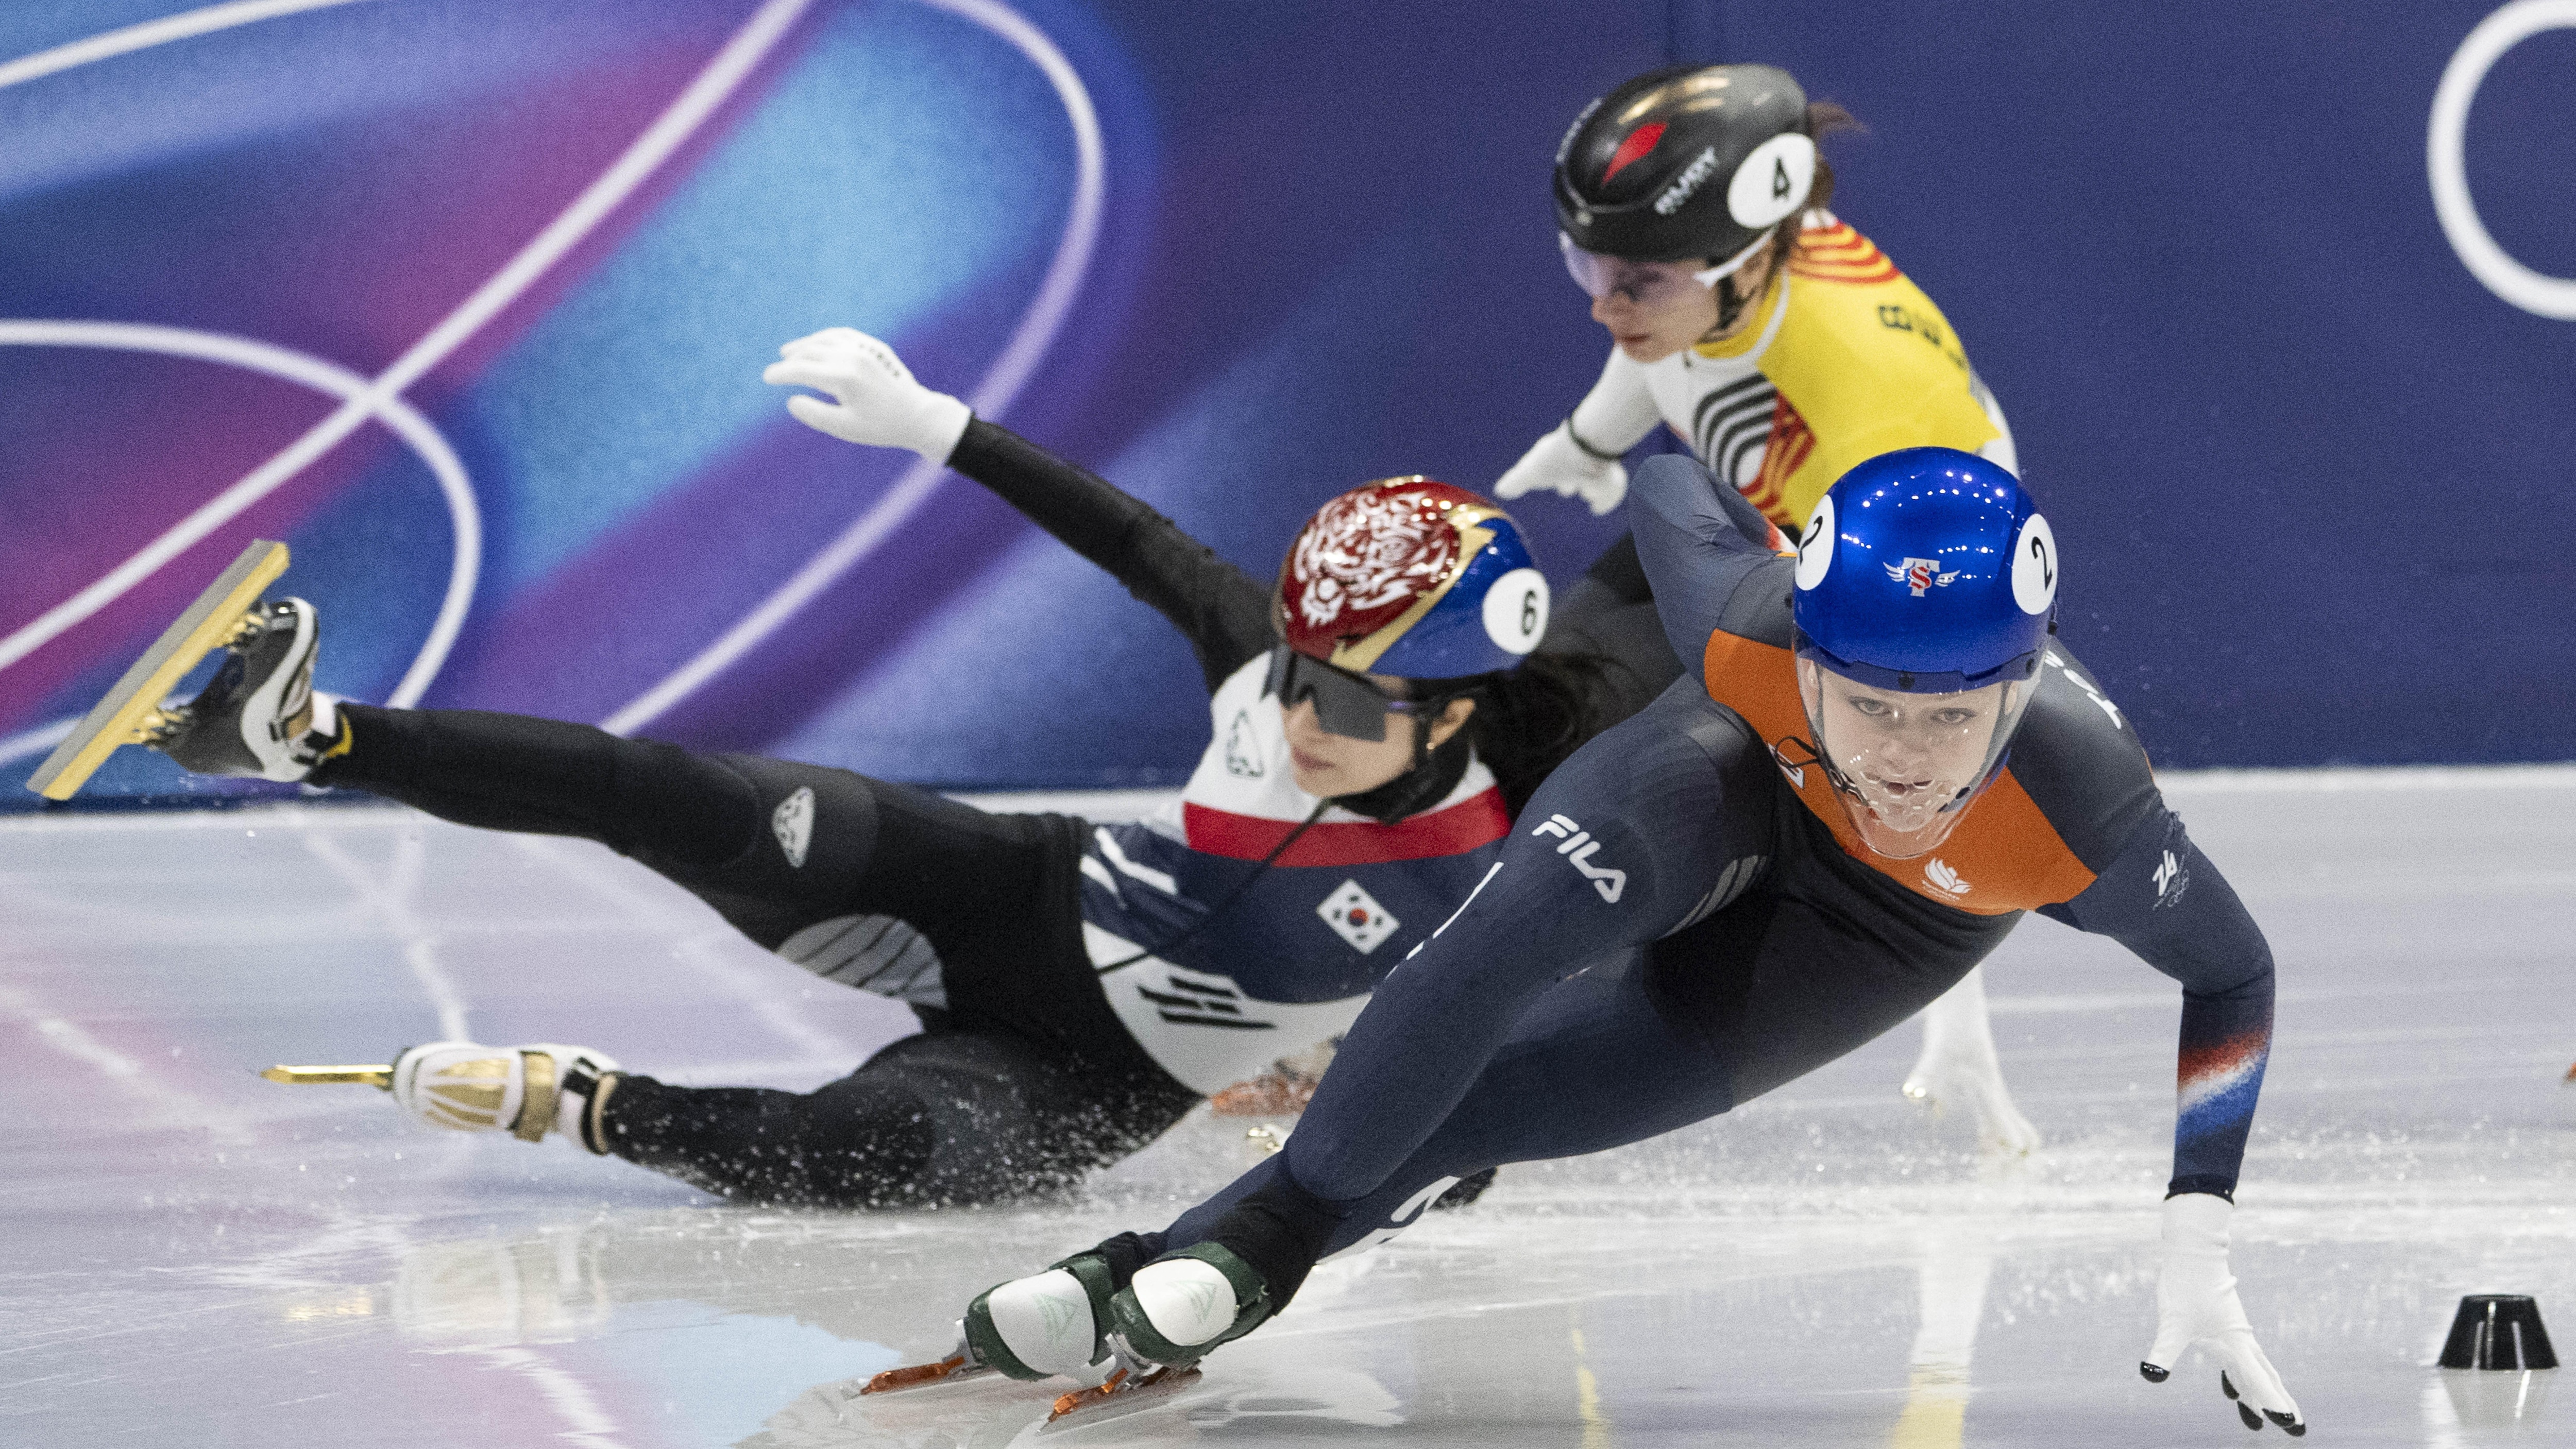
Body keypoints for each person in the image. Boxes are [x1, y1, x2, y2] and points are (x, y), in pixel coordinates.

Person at [941, 448, 2307, 1437]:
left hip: (1895, 927)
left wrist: (2198, 1218)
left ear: (2017, 693)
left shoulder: (2086, 814)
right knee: (1493, 958)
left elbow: (2232, 972)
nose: (1899, 758)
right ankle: (1252, 1247)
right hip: (1731, 766)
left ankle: (1184, 1260)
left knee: (1512, 1102)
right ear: (1807, 647)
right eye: (1868, 700)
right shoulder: (1751, 625)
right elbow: (1673, 480)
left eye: (1950, 717)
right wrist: (1658, 458)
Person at [133, 329, 1659, 1209]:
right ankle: (300, 733)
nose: (1302, 715)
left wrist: (1384, 1130)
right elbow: (1134, 539)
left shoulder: (1484, 870)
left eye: (1355, 703)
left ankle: (583, 1101)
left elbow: (1511, 1063)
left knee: (863, 1153)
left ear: (1455, 713)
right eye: (1297, 674)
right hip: (1013, 893)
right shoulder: (1272, 663)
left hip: (1088, 1078)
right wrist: (941, 426)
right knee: (675, 793)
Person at [1499, 62, 2036, 1151]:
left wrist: (1952, 1013)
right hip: (1750, 506)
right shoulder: (1721, 270)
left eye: (1634, 280)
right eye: (1584, 265)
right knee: (1533, 712)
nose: (1605, 303)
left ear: (1743, 261)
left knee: (1768, 776)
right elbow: (1665, 348)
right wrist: (1593, 440)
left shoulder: (1867, 394)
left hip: (1891, 548)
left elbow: (1930, 758)